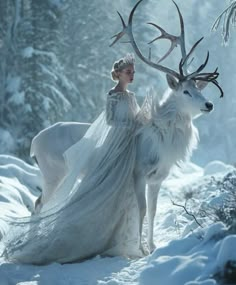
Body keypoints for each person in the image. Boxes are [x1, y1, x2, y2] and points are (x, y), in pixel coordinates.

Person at [1, 54, 144, 265]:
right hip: (115, 144)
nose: (132, 75)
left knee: (125, 190)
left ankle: (119, 236)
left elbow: (135, 116)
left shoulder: (131, 96)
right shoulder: (113, 94)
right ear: (119, 74)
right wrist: (130, 126)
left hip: (126, 146)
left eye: (133, 72)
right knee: (106, 187)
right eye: (128, 72)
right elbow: (111, 120)